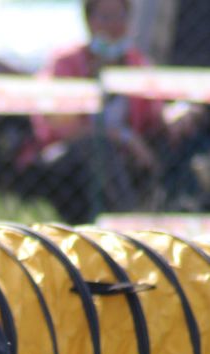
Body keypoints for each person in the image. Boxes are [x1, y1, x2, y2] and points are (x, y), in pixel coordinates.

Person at [15, 0, 169, 222]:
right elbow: (58, 124)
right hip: (64, 158)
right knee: (100, 148)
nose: (113, 25)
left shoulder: (137, 63)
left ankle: (174, 213)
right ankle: (128, 223)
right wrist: (120, 136)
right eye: (105, 17)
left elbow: (154, 118)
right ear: (89, 21)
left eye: (120, 17)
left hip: (124, 161)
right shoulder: (66, 63)